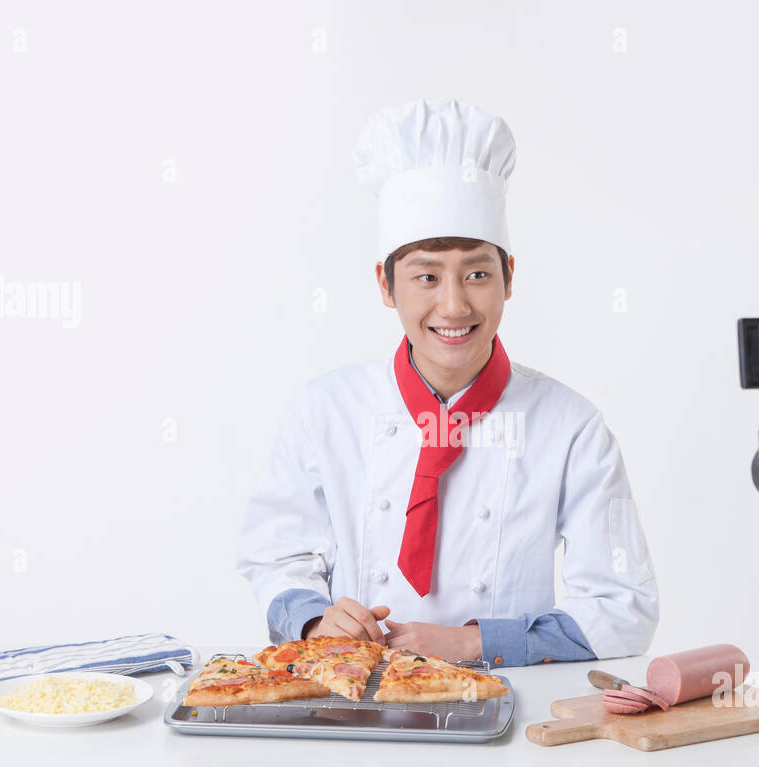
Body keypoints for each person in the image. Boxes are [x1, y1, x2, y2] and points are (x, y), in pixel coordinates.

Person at [236, 98, 658, 665]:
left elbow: (623, 607)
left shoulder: (571, 426)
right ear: (387, 288)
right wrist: (314, 619)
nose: (454, 305)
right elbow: (274, 555)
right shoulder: (324, 409)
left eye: (478, 274)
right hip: (355, 703)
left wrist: (476, 641)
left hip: (508, 709)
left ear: (510, 278)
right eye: (426, 276)